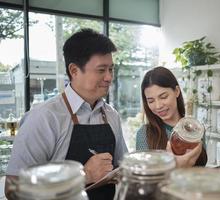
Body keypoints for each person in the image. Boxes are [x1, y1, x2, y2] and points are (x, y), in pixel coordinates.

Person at [5, 28, 128, 200]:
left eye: (111, 69)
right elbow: (13, 187)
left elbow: (123, 167)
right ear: (74, 71)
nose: (109, 77)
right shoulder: (44, 118)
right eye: (101, 70)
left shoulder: (111, 115)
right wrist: (83, 175)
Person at [136, 66, 207, 167]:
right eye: (151, 101)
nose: (158, 106)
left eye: (163, 97)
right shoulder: (144, 134)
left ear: (176, 91)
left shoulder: (195, 130)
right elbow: (143, 179)